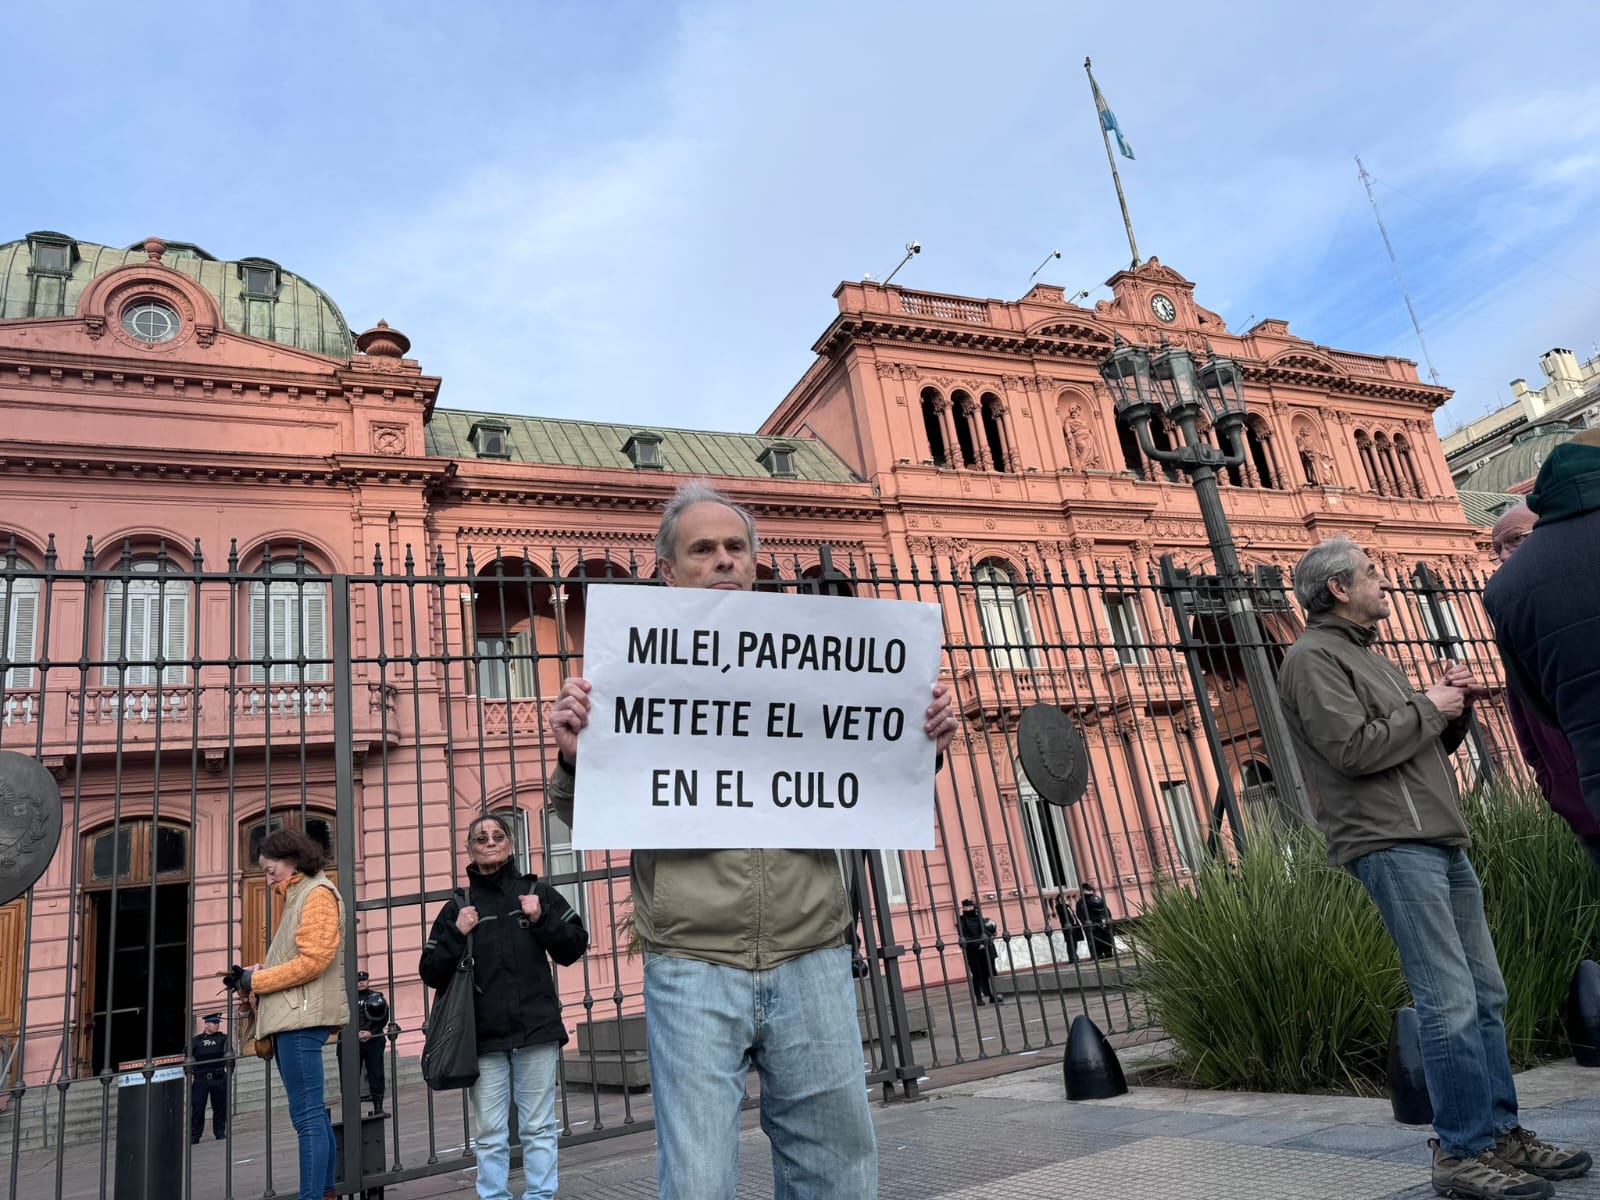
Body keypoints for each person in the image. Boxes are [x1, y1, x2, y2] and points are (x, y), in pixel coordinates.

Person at [547, 479, 958, 1200]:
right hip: (692, 960)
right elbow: (582, 815)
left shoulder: (822, 660)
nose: (724, 559)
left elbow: (873, 780)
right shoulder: (624, 673)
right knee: (699, 1180)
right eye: (703, 549)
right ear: (668, 573)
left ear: (756, 562)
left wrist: (923, 739)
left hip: (814, 952)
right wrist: (576, 758)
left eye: (737, 547)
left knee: (837, 1168)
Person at [1280, 535, 1590, 1200]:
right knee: (1447, 1002)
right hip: (1390, 844)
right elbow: (1352, 752)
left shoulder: (1370, 657)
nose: (1382, 580)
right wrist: (1428, 707)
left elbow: (1409, 744)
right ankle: (1462, 1150)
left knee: (1484, 996)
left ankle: (1500, 1136)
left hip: (1437, 836)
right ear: (1337, 588)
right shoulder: (1311, 659)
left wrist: (1449, 709)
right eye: (1369, 573)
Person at [419, 813, 589, 1200]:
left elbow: (574, 946)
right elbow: (430, 971)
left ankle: (541, 1195)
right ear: (470, 850)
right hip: (484, 1038)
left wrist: (542, 918)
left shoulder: (536, 892)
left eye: (498, 835)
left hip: (536, 1030)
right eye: (481, 838)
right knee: (491, 1131)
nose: (490, 841)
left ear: (510, 845)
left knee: (539, 1125)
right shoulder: (457, 907)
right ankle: (493, 1196)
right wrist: (456, 933)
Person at [1484, 428, 1600, 841]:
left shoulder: (1504, 591)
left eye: (1514, 541)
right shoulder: (1508, 591)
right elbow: (1527, 712)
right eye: (1496, 548)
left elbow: (1535, 701)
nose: (1503, 557)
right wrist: (1556, 787)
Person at [234, 828, 347, 1200]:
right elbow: (299, 959)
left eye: (270, 870)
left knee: (307, 1117)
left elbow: (313, 961)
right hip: (294, 1017)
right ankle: (325, 1193)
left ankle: (313, 1196)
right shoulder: (302, 894)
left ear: (293, 861)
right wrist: (253, 977)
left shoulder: (315, 894)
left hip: (299, 1020)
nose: (267, 880)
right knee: (313, 1115)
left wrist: (258, 979)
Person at [350, 971, 388, 1114]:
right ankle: (352, 1112)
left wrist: (371, 1032)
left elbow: (384, 1016)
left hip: (374, 1040)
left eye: (363, 980)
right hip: (352, 1041)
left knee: (376, 1074)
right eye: (358, 980)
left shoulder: (376, 997)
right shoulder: (348, 997)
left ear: (368, 981)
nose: (361, 982)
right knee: (350, 1076)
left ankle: (378, 1107)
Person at [189, 1012, 228, 1144]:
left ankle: (220, 1132)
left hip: (218, 1077)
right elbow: (188, 1059)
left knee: (220, 1108)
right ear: (206, 1024)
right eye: (214, 1023)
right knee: (198, 1109)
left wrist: (228, 1074)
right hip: (201, 1079)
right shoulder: (195, 1041)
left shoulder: (223, 1038)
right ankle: (194, 1136)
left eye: (217, 1023)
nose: (216, 1025)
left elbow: (229, 1057)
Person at [957, 899, 1003, 1005]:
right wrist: (977, 944)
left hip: (984, 950)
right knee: (977, 974)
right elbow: (963, 935)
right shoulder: (962, 920)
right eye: (965, 907)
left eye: (969, 906)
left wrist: (986, 940)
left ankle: (992, 995)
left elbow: (985, 931)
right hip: (973, 951)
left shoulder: (979, 918)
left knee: (989, 972)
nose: (967, 909)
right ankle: (978, 998)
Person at [1075, 883, 1115, 959]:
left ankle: (1101, 954)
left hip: (1093, 923)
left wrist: (1086, 922)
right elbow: (1106, 910)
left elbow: (1080, 914)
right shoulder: (1094, 899)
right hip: (1097, 923)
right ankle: (1106, 953)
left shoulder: (1082, 901)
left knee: (1100, 940)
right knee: (1102, 939)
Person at [1053, 887, 1083, 962]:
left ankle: (1075, 955)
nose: (1064, 899)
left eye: (1064, 898)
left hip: (1074, 924)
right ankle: (1072, 957)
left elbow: (1072, 914)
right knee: (1070, 942)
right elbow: (1063, 914)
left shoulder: (1067, 906)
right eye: (1062, 898)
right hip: (1067, 926)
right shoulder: (1059, 907)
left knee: (1074, 941)